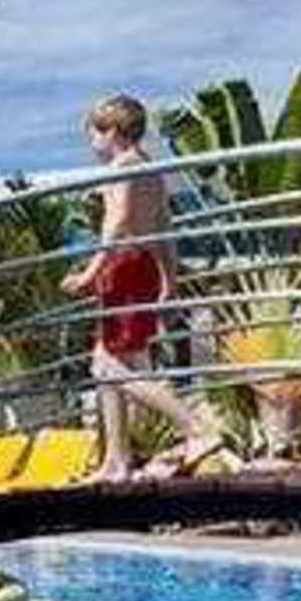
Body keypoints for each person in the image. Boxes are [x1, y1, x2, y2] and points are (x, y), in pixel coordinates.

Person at [59, 94, 222, 481]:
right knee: (109, 362)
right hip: (143, 266)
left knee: (109, 366)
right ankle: (115, 460)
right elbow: (165, 228)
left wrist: (88, 274)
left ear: (111, 131)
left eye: (93, 135)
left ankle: (196, 429)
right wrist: (170, 278)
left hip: (125, 265)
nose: (91, 144)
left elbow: (117, 225)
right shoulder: (152, 170)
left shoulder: (123, 166)